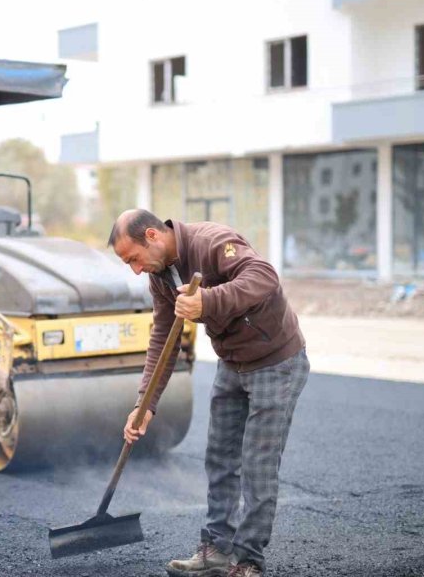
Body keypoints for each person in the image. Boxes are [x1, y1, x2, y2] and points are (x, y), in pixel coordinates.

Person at [109, 209, 309, 577]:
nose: (135, 270)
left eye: (133, 259)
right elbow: (162, 340)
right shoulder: (161, 277)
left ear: (152, 235)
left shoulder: (211, 241)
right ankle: (217, 550)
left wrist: (208, 301)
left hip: (275, 361)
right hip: (232, 363)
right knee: (219, 458)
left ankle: (248, 561)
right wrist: (145, 404)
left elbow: (264, 276)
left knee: (257, 464)